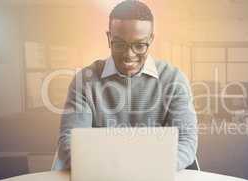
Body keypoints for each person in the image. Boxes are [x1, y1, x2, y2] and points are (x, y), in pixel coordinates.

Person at [52, 0, 198, 171]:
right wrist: (115, 172)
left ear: (151, 40)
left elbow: (186, 141)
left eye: (139, 45)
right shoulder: (84, 81)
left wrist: (147, 171)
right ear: (109, 38)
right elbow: (71, 141)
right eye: (120, 44)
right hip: (99, 180)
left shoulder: (174, 79)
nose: (129, 55)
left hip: (154, 178)